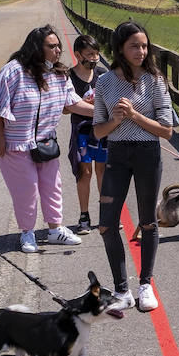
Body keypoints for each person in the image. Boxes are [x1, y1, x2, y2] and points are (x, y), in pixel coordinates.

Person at [0, 25, 95, 254]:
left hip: (46, 142)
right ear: (37, 47)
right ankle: (27, 233)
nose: (57, 51)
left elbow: (73, 103)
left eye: (58, 46)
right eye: (51, 46)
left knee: (52, 187)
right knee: (27, 191)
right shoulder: (13, 71)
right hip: (16, 143)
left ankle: (55, 229)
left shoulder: (58, 73)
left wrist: (106, 112)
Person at [93, 19, 179, 314]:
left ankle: (145, 284)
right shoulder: (103, 82)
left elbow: (167, 131)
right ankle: (121, 290)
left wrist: (133, 115)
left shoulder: (155, 81)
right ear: (120, 48)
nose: (141, 51)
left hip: (147, 154)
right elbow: (98, 131)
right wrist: (116, 120)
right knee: (106, 224)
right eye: (134, 46)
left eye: (144, 46)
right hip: (116, 154)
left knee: (148, 221)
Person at [67, 35, 108, 234]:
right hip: (82, 131)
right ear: (77, 55)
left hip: (103, 131)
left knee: (103, 171)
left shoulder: (102, 74)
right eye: (90, 54)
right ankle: (84, 215)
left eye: (96, 54)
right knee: (85, 173)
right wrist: (87, 106)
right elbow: (66, 108)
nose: (94, 58)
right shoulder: (68, 76)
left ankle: (106, 214)